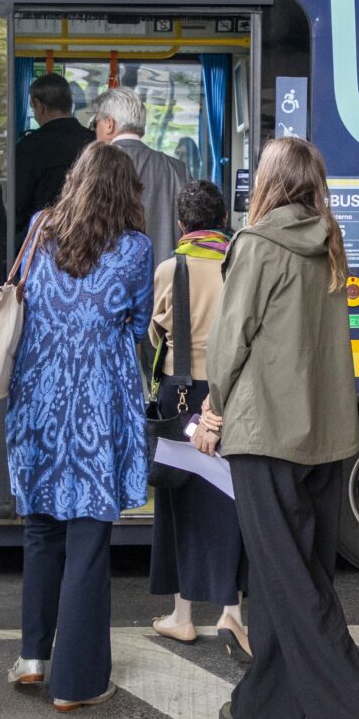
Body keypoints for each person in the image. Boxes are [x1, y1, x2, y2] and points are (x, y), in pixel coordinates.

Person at [198, 137, 359, 719]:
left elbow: (229, 344)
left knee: (291, 583)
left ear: (268, 180)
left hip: (266, 437)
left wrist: (212, 412)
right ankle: (265, 707)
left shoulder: (257, 244)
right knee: (290, 574)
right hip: (326, 433)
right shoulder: (331, 243)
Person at [5, 141, 154, 712]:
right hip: (96, 404)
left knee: (41, 530)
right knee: (87, 541)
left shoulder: (41, 228)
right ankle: (77, 681)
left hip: (38, 400)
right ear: (127, 194)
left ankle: (34, 658)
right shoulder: (135, 249)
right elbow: (138, 322)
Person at [148, 180, 249, 661]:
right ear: (223, 219)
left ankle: (182, 616)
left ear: (183, 224)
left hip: (182, 397)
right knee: (232, 503)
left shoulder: (173, 268)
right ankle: (232, 612)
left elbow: (156, 330)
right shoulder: (241, 263)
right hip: (233, 398)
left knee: (178, 508)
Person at [91, 86, 189, 270]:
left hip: (112, 286)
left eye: (96, 123)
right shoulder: (177, 169)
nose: (95, 130)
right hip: (166, 284)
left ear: (109, 124)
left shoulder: (95, 167)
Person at [14, 72, 94, 245]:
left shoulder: (28, 147)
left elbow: (18, 208)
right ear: (69, 104)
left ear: (39, 106)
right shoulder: (94, 143)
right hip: (88, 243)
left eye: (33, 108)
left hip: (40, 243)